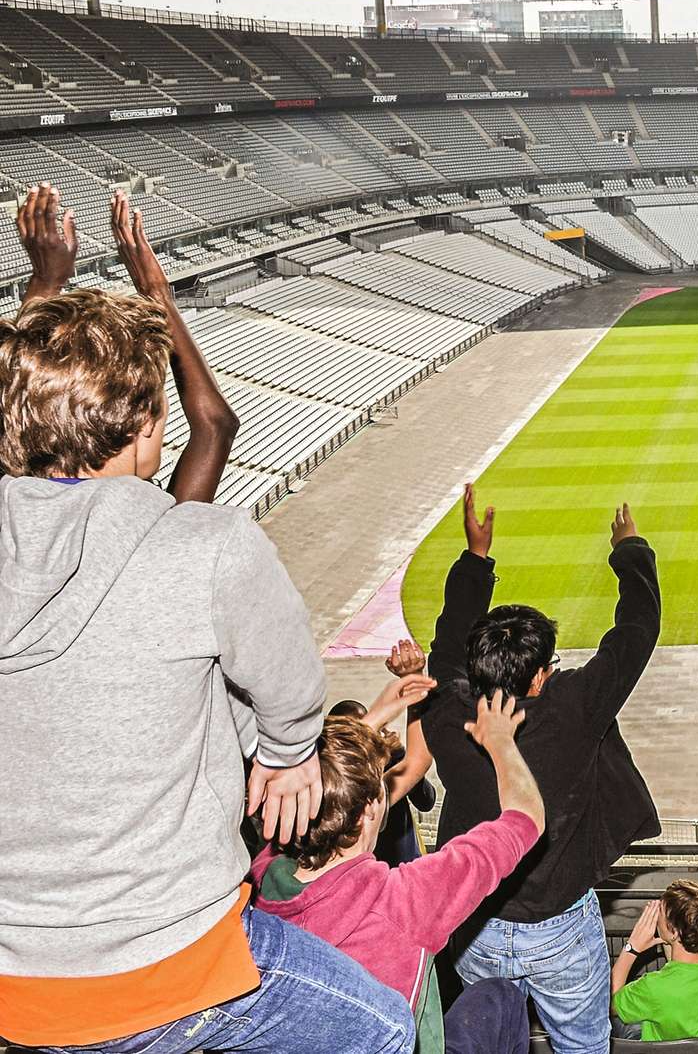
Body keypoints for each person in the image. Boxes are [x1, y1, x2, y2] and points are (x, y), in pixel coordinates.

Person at [0, 207, 409, 1049]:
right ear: (150, 428)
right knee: (384, 1028)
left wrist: (44, 283)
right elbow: (294, 689)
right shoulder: (201, 544)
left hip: (13, 980)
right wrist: (291, 751)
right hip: (167, 967)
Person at [419, 487, 662, 1054]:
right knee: (583, 1045)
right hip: (558, 927)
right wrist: (630, 553)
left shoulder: (450, 711)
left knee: (491, 1035)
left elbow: (448, 642)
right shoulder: (573, 708)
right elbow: (635, 633)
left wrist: (476, 560)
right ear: (535, 679)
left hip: (473, 924)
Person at [250, 685, 545, 1054]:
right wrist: (500, 740)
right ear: (371, 809)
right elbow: (526, 818)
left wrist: (370, 722)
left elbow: (307, 798)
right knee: (502, 997)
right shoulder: (406, 901)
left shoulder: (262, 877)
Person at [12, 184, 240, 506]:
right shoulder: (163, 534)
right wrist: (158, 293)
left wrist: (45, 282)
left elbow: (17, 391)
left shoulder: (14, 505)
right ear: (144, 422)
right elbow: (217, 425)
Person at [612, 880, 698, 1049]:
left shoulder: (653, 987)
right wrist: (666, 936)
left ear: (675, 931)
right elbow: (679, 963)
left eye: (660, 911)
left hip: (662, 1050)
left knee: (610, 1019)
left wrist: (632, 947)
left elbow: (609, 1004)